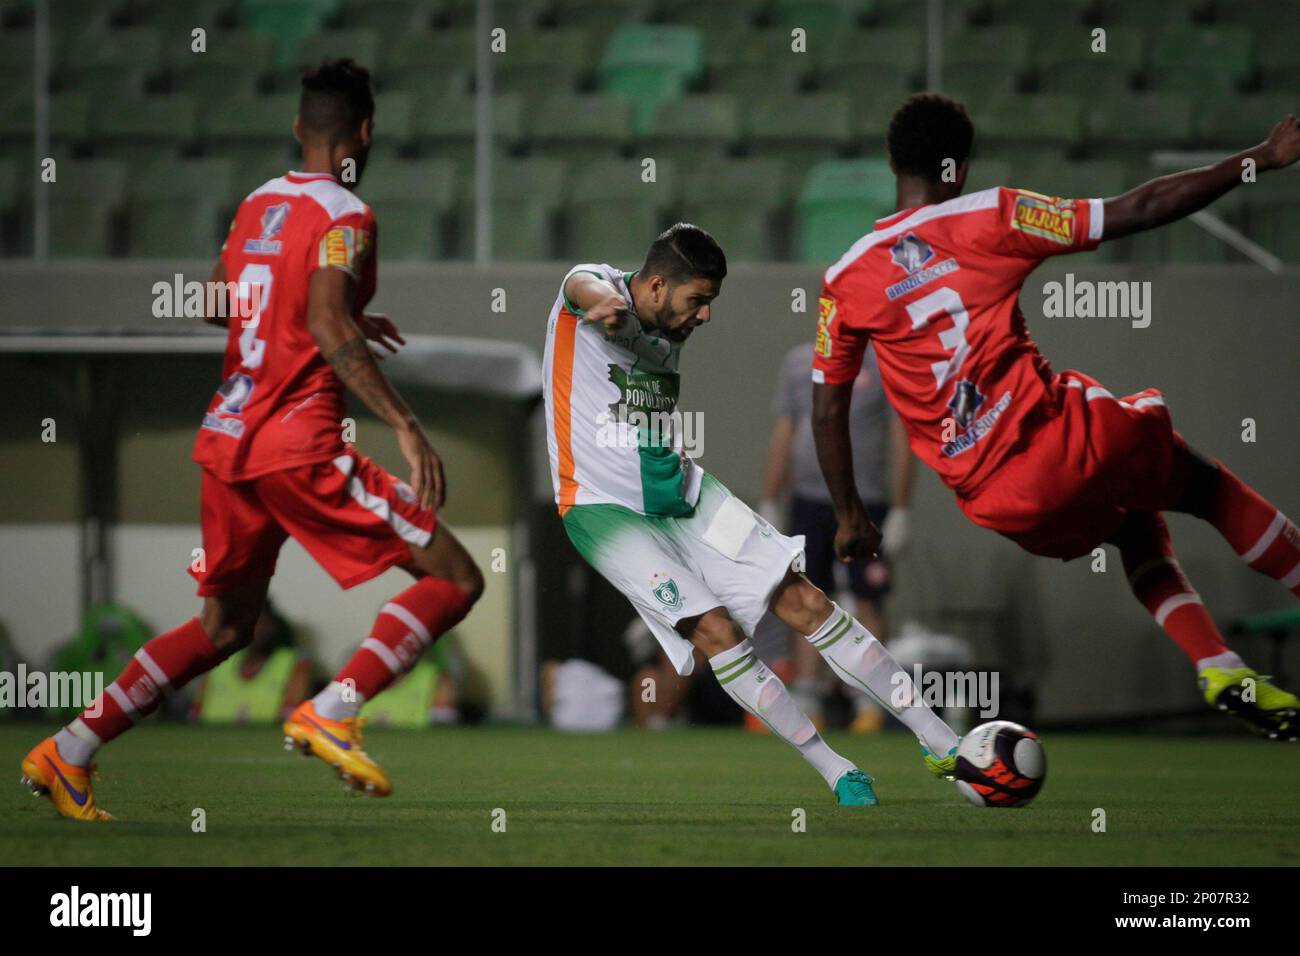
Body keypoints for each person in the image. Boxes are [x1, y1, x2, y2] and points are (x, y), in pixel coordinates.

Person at [20, 59, 484, 821]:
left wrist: (307, 318)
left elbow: (215, 302)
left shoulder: (256, 203)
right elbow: (328, 323)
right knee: (456, 577)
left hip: (227, 442)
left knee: (225, 627)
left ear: (299, 128)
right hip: (298, 444)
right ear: (363, 133)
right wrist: (404, 421)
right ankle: (335, 709)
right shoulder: (346, 216)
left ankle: (68, 750)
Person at [811, 93, 1300, 741]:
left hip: (995, 501)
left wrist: (850, 517)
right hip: (1057, 439)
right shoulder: (993, 214)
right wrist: (1260, 159)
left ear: (892, 163)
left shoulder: (844, 279)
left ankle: (1216, 664)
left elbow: (827, 406)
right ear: (957, 168)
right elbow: (1142, 208)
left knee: (1134, 530)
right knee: (1206, 488)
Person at [543, 223, 962, 807]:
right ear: (657, 285)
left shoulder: (668, 330)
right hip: (603, 512)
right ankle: (836, 769)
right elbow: (582, 284)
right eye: (699, 301)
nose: (706, 316)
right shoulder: (588, 289)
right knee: (719, 632)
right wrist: (606, 303)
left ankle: (944, 743)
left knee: (806, 599)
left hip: (685, 493)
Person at [762, 342, 914, 732]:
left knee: (868, 596)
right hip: (809, 499)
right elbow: (785, 430)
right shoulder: (798, 362)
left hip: (866, 499)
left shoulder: (885, 364)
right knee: (805, 593)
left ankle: (873, 700)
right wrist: (770, 496)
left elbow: (901, 433)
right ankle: (808, 694)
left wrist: (899, 507)